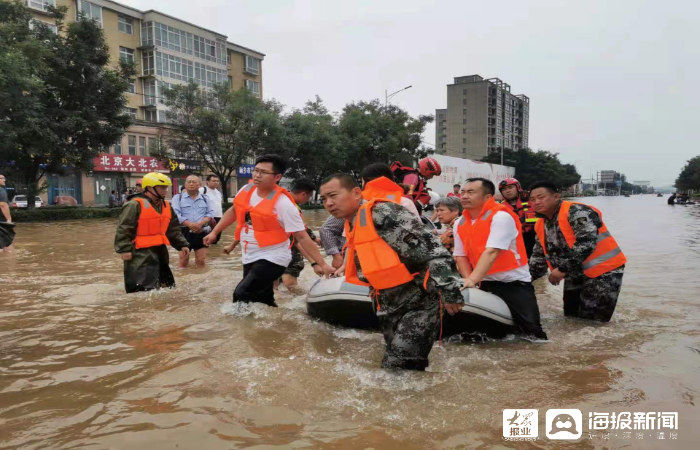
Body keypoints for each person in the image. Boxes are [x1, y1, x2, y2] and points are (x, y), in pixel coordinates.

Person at [320, 173, 464, 370]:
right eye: (323, 199)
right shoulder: (352, 222)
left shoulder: (382, 212)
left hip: (418, 301)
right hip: (386, 303)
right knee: (405, 367)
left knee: (396, 367)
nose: (328, 203)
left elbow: (433, 250)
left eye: (333, 195)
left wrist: (451, 292)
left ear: (355, 192)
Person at [203, 154, 335, 307]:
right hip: (250, 253)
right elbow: (233, 211)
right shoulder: (246, 189)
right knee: (262, 298)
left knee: (241, 294)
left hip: (274, 256)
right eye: (256, 170)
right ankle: (276, 325)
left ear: (277, 177)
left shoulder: (284, 204)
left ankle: (242, 329)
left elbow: (302, 237)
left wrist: (322, 264)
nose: (257, 175)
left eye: (263, 172)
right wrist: (214, 232)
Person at [453, 178, 547, 339]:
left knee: (534, 335)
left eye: (471, 192)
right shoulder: (459, 222)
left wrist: (472, 280)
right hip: (483, 281)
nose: (464, 196)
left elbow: (492, 252)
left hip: (513, 283)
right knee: (471, 332)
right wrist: (470, 282)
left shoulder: (501, 217)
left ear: (488, 197)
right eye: (463, 192)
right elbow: (460, 256)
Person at [528, 181, 626, 322]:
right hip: (575, 272)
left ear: (556, 196)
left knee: (593, 321)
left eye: (541, 197)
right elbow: (538, 259)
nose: (536, 202)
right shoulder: (540, 224)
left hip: (604, 271)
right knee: (571, 318)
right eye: (532, 199)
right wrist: (521, 282)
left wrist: (561, 269)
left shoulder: (577, 211)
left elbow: (586, 243)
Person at [114, 172, 190, 293]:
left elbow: (173, 229)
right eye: (162, 187)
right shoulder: (134, 204)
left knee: (166, 286)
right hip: (140, 253)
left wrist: (182, 244)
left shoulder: (166, 206)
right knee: (142, 289)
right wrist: (124, 249)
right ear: (149, 187)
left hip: (160, 251)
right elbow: (124, 228)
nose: (165, 190)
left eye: (166, 187)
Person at [279, 178, 323, 291]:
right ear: (303, 194)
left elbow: (302, 228)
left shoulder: (279, 199)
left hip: (272, 251)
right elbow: (298, 237)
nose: (308, 199)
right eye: (308, 196)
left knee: (277, 286)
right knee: (291, 287)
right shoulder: (291, 207)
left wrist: (314, 238)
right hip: (288, 251)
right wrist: (315, 263)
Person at [171, 175, 215, 268]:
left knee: (201, 261)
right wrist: (190, 224)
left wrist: (200, 224)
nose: (191, 184)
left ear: (199, 185)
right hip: (183, 232)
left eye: (194, 182)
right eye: (189, 182)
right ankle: (183, 280)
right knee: (183, 261)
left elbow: (210, 213)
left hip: (201, 232)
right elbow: (176, 214)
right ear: (185, 184)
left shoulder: (205, 198)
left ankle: (201, 280)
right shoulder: (177, 198)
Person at [498, 178, 538, 257]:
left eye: (510, 188)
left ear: (518, 188)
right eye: (504, 189)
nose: (507, 191)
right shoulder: (501, 207)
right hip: (516, 239)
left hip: (536, 236)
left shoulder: (531, 199)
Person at [199, 174, 224, 244]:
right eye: (213, 181)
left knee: (216, 238)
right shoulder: (202, 190)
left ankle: (214, 254)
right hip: (207, 218)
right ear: (207, 182)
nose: (216, 182)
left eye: (217, 181)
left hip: (219, 217)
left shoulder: (218, 192)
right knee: (206, 238)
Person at [0, 174, 15, 252]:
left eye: (4, 178)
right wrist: (8, 219)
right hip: (2, 223)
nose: (4, 180)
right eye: (2, 178)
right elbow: (3, 205)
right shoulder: (1, 190)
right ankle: (10, 262)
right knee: (8, 246)